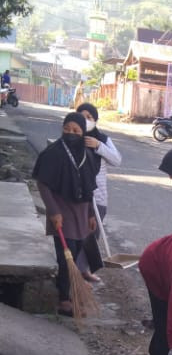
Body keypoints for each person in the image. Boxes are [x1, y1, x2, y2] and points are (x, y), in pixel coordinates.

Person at [32, 112, 100, 317]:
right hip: (62, 213)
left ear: (82, 132)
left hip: (80, 214)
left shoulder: (86, 155)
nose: (71, 133)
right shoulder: (54, 153)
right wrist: (53, 211)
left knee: (76, 252)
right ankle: (64, 299)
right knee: (65, 257)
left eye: (76, 131)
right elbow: (43, 184)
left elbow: (89, 188)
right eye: (67, 129)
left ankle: (72, 291)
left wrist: (90, 214)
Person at [75, 102, 122, 283]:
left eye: (89, 117)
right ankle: (73, 270)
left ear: (95, 120)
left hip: (98, 196)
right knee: (77, 233)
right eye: (82, 117)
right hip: (77, 197)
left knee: (93, 234)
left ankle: (84, 270)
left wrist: (98, 145)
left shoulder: (102, 138)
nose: (86, 121)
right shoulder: (72, 136)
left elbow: (117, 160)